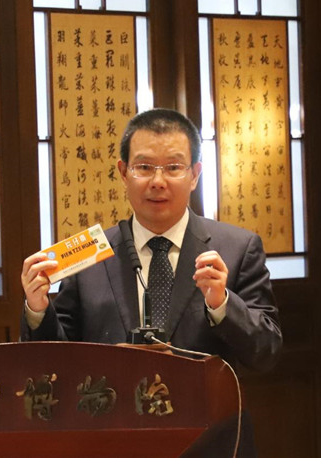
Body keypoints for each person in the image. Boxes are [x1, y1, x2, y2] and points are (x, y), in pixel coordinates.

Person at [20, 108, 282, 373]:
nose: (158, 181)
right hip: (113, 400)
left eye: (173, 168)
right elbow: (56, 360)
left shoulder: (238, 249)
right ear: (124, 173)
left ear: (194, 175)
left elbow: (266, 353)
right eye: (144, 167)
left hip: (201, 400)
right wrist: (37, 308)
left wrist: (222, 305)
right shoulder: (89, 256)